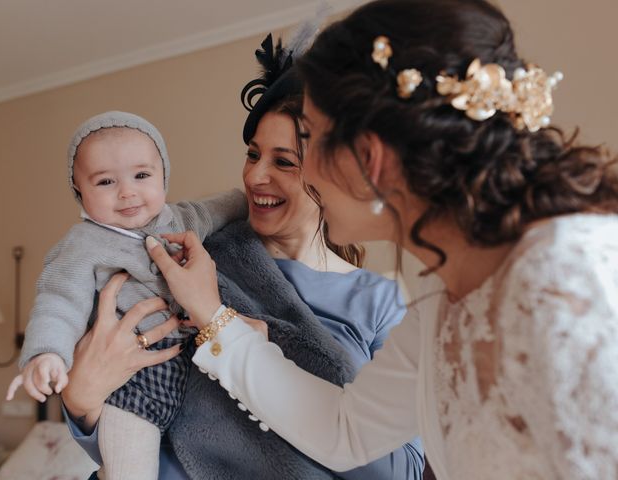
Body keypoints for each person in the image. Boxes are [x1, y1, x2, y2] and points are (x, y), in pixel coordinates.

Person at [142, 1, 618, 479]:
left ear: (368, 156)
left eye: (310, 141)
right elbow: (344, 431)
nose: (302, 171)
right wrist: (214, 317)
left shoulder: (568, 278)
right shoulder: (439, 308)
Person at [62, 33, 425, 480]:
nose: (255, 175)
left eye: (284, 162)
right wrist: (79, 402)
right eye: (253, 153)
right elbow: (128, 419)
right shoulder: (188, 257)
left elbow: (400, 471)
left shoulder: (379, 301)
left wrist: (239, 336)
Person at [7, 111, 247, 480]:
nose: (127, 191)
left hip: (196, 365)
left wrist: (256, 200)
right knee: (129, 469)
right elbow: (58, 302)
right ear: (79, 191)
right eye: (105, 181)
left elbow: (228, 204)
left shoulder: (184, 219)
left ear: (163, 176)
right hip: (128, 381)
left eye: (141, 175)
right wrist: (47, 353)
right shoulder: (82, 244)